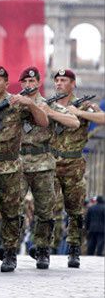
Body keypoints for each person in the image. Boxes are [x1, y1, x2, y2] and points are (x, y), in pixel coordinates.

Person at [0, 66, 48, 272]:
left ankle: (9, 252)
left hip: (10, 165)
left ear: (7, 83)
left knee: (11, 211)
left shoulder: (17, 103)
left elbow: (43, 122)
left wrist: (30, 104)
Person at [18, 67, 79, 269]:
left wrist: (50, 113)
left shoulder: (48, 103)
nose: (28, 85)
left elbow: (74, 122)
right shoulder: (13, 103)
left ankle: (43, 249)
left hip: (42, 162)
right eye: (25, 82)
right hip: (17, 162)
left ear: (38, 84)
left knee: (45, 209)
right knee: (12, 206)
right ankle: (10, 247)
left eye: (32, 82)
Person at [50, 68, 103, 268]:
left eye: (64, 80)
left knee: (74, 209)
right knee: (48, 207)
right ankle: (46, 246)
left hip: (74, 164)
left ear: (73, 84)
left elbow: (103, 119)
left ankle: (73, 248)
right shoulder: (49, 105)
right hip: (52, 163)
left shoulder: (83, 105)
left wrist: (79, 113)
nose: (59, 83)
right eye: (57, 80)